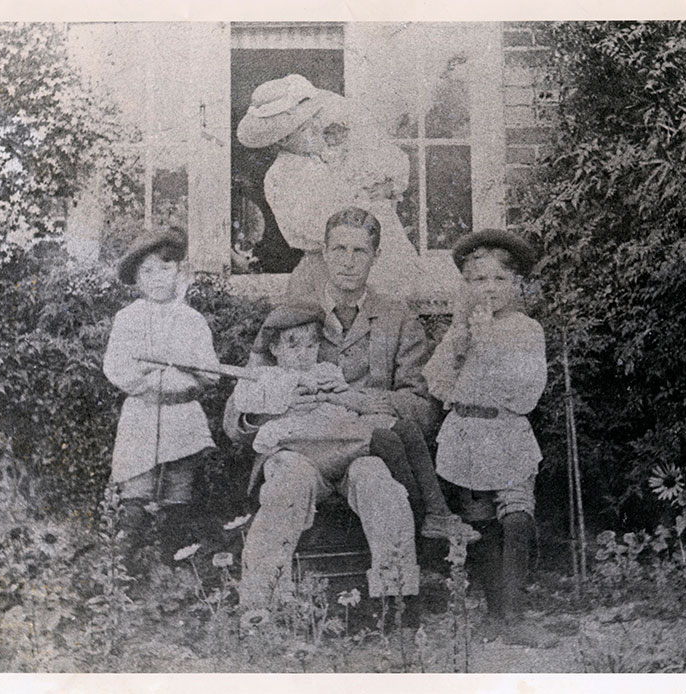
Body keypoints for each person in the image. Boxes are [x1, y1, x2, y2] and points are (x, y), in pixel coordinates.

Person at [224, 207, 438, 627]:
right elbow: (236, 413)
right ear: (323, 252)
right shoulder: (290, 318)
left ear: (376, 256)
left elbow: (421, 408)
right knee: (287, 484)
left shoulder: (398, 319)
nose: (348, 260)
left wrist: (357, 400)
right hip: (299, 451)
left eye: (360, 250)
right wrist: (277, 409)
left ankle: (396, 604)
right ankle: (260, 605)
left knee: (382, 487)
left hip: (361, 449)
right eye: (338, 248)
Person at [423, 228, 557, 648]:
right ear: (465, 284)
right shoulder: (458, 330)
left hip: (505, 432)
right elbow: (438, 383)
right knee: (479, 524)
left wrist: (490, 346)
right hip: (466, 434)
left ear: (516, 283)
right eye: (479, 280)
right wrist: (463, 339)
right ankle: (495, 612)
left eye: (500, 279)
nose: (490, 289)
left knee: (515, 517)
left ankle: (515, 615)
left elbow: (526, 394)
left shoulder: (525, 330)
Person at [233, 305, 469, 541]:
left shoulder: (324, 370)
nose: (303, 353)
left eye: (311, 345)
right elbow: (245, 402)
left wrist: (334, 395)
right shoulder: (266, 377)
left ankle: (439, 512)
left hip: (339, 431)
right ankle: (420, 521)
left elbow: (346, 401)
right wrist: (285, 397)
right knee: (385, 441)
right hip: (304, 441)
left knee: (405, 429)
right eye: (293, 345)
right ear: (274, 348)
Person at [236, 74, 423, 303]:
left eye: (315, 118)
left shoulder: (328, 157)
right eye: (306, 127)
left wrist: (385, 188)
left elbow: (389, 168)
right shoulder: (283, 177)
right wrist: (364, 201)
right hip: (335, 272)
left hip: (383, 264)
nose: (318, 126)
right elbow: (324, 227)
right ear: (283, 140)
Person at [103, 227, 219, 553]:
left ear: (179, 272)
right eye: (147, 272)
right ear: (137, 280)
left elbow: (211, 373)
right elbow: (116, 367)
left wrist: (190, 369)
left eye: (165, 269)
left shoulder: (192, 320)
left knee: (178, 493)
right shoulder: (128, 319)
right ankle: (123, 570)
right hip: (142, 412)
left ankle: (172, 564)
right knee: (136, 493)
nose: (156, 278)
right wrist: (146, 379)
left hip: (181, 414)